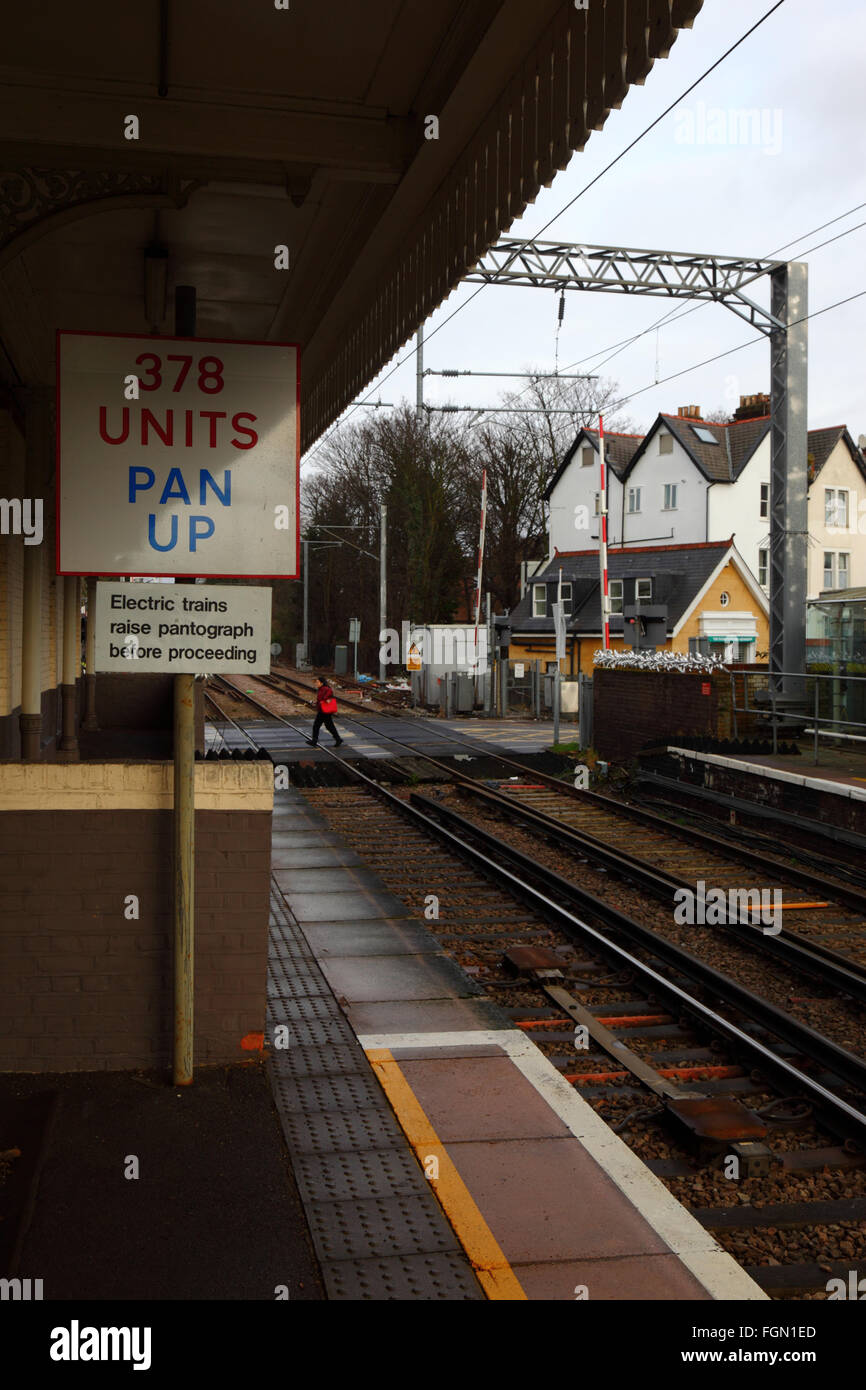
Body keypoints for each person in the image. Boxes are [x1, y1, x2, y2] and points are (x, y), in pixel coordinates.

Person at [310, 676, 343, 747]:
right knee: (329, 726)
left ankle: (314, 740)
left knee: (317, 725)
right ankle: (338, 739)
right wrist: (316, 703)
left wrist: (323, 700)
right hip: (322, 709)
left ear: (322, 683)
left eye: (317, 682)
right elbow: (320, 699)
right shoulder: (320, 689)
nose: (316, 683)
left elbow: (327, 697)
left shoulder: (326, 689)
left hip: (324, 710)